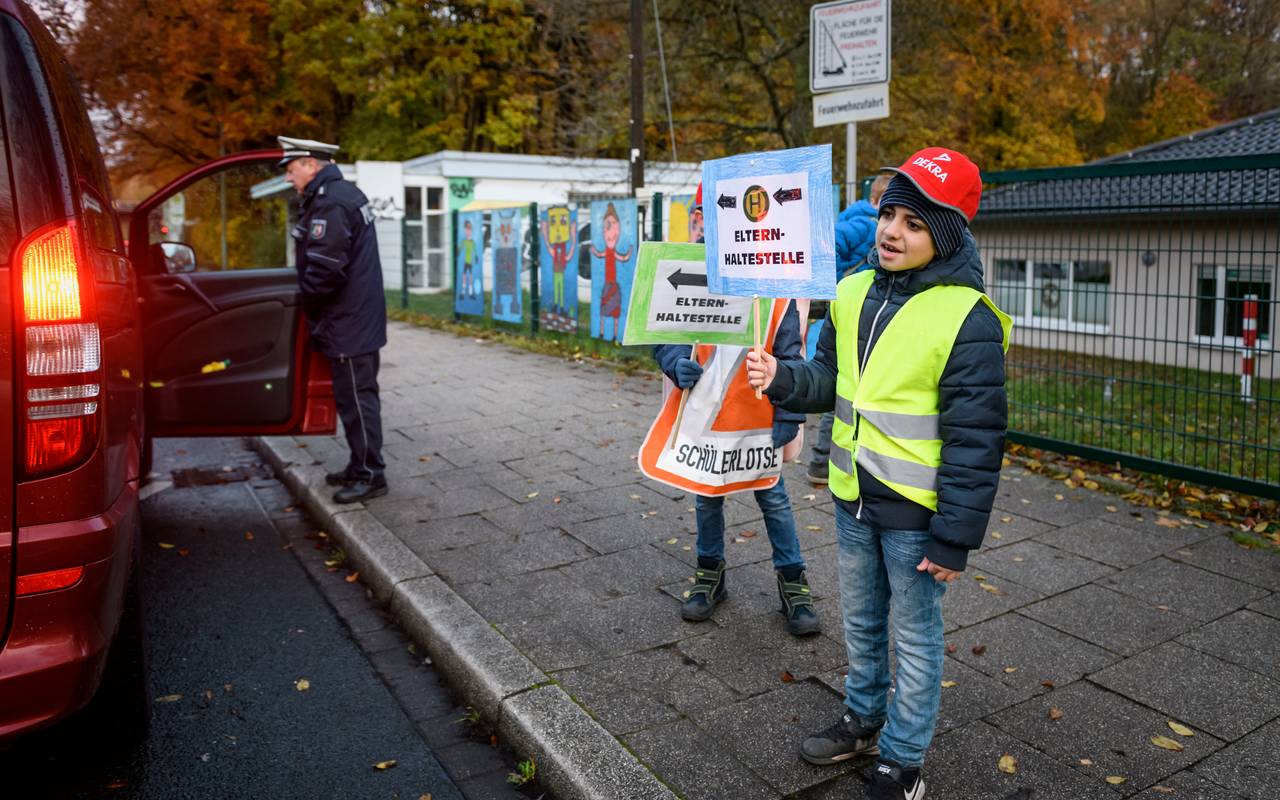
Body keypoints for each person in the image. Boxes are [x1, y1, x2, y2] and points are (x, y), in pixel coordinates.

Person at [746, 148, 1010, 800]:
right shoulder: (852, 291)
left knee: (915, 640)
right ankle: (863, 721)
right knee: (861, 624)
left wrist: (955, 538)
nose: (891, 231)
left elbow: (976, 441)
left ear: (945, 235)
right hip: (852, 498)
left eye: (914, 223)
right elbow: (829, 380)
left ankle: (902, 760)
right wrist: (782, 378)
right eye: (889, 213)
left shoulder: (967, 317)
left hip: (918, 517)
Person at [652, 185, 819, 637]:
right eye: (707, 216)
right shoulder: (690, 271)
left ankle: (793, 581)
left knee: (774, 499)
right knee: (707, 497)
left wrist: (789, 415)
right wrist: (675, 361)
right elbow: (664, 333)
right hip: (705, 416)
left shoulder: (775, 285)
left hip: (759, 417)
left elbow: (791, 354)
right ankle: (710, 575)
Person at [280, 136, 389, 504]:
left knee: (358, 400)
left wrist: (305, 303)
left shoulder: (332, 202)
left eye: (291, 169)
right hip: (352, 317)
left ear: (311, 165)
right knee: (352, 399)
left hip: (349, 320)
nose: (288, 178)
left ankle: (371, 474)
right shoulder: (338, 195)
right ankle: (360, 465)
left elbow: (326, 270)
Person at [808, 172, 893, 487]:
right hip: (853, 311)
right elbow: (828, 243)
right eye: (887, 206)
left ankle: (827, 460)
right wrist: (836, 283)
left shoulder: (870, 223)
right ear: (874, 201)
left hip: (864, 313)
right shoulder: (866, 224)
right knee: (842, 391)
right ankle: (821, 461)